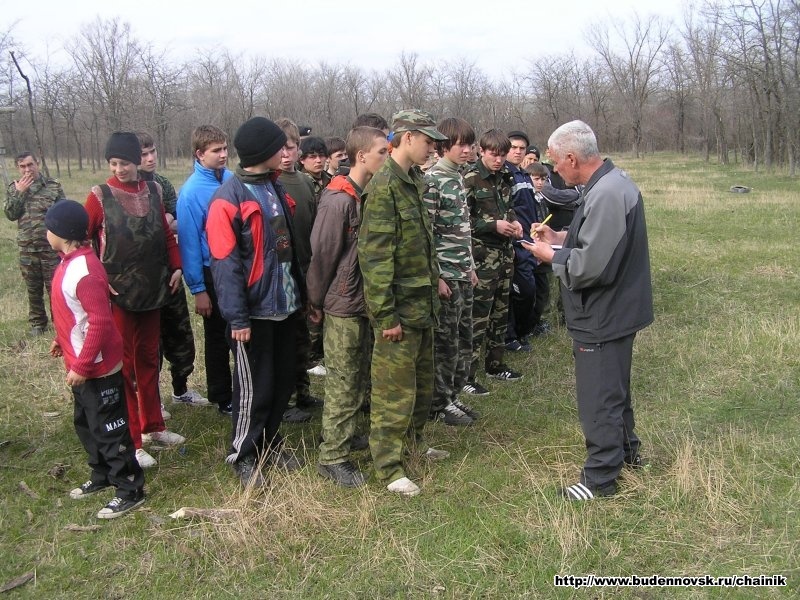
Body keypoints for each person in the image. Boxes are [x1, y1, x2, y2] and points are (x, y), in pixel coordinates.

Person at [523, 120, 653, 501]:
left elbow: (592, 266)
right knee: (614, 390)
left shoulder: (607, 193)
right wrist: (560, 238)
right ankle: (627, 454)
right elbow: (596, 239)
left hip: (603, 314)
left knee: (598, 397)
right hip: (614, 311)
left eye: (555, 162)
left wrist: (551, 256)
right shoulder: (608, 185)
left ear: (571, 158)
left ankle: (600, 477)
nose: (553, 170)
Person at [206, 116, 306, 488]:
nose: (286, 151)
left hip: (285, 306)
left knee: (281, 383)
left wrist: (303, 296)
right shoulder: (227, 199)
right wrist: (237, 318)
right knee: (254, 388)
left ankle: (268, 443)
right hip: (254, 314)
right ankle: (244, 454)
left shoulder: (274, 186)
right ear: (263, 151)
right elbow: (225, 264)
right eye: (279, 146)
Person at [358, 109, 449, 497]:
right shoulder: (384, 187)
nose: (432, 148)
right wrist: (386, 315)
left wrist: (436, 277)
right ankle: (389, 466)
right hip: (399, 310)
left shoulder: (414, 181)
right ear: (407, 137)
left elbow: (420, 243)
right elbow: (375, 258)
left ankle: (414, 444)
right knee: (393, 392)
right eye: (428, 141)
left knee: (421, 386)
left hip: (421, 304)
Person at [85, 132, 186, 469]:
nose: (119, 169)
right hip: (119, 296)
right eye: (113, 163)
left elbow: (166, 235)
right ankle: (133, 441)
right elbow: (80, 242)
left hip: (154, 290)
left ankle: (154, 425)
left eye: (125, 163)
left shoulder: (153, 190)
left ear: (137, 161)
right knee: (125, 366)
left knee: (148, 358)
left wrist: (176, 266)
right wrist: (98, 282)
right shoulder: (99, 197)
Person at [45, 199, 145, 519]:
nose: (46, 232)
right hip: (81, 363)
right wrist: (61, 340)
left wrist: (83, 365)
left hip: (97, 367)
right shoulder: (67, 262)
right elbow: (75, 314)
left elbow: (100, 322)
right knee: (87, 423)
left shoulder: (84, 272)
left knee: (110, 428)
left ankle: (129, 488)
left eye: (49, 228)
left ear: (62, 233)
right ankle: (101, 474)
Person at [307, 126, 388, 488]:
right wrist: (315, 301)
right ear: (361, 156)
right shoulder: (338, 200)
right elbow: (321, 256)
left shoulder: (367, 194)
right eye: (382, 152)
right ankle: (332, 457)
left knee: (358, 377)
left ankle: (346, 435)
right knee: (342, 380)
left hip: (363, 301)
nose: (387, 158)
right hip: (342, 303)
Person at [137, 132, 206, 412]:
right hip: (142, 280)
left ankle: (181, 389)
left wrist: (167, 222)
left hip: (169, 273)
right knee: (149, 344)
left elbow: (176, 223)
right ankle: (150, 399)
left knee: (180, 336)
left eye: (152, 151)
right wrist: (162, 220)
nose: (150, 158)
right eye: (143, 154)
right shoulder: (124, 189)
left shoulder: (162, 184)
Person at [423, 117, 480, 427]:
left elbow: (461, 229)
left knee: (462, 339)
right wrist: (438, 277)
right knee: (445, 343)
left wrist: (470, 267)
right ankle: (438, 403)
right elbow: (427, 233)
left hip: (462, 273)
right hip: (445, 275)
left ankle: (452, 395)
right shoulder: (432, 180)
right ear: (444, 146)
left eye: (470, 145)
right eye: (461, 145)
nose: (468, 150)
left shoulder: (457, 177)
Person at [176, 125, 235, 416]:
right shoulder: (191, 193)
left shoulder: (232, 179)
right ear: (200, 154)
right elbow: (189, 244)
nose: (223, 155)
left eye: (225, 148)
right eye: (216, 150)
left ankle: (245, 388)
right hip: (212, 272)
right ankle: (222, 396)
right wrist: (199, 289)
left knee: (239, 331)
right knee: (217, 337)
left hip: (236, 268)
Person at [462, 129, 523, 397]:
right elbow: (461, 220)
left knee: (500, 313)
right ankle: (466, 376)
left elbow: (508, 207)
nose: (498, 160)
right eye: (493, 155)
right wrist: (492, 225)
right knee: (478, 317)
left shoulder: (505, 175)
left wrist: (514, 223)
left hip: (504, 255)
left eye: (502, 155)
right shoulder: (470, 178)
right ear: (481, 151)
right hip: (481, 256)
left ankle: (495, 365)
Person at [276, 118, 324, 423]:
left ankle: (303, 391)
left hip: (307, 268)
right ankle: (288, 398)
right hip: (284, 272)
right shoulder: (273, 184)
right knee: (287, 339)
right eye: (280, 148)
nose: (285, 154)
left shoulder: (306, 183)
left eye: (291, 147)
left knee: (304, 336)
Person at [4, 152, 65, 336]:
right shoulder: (14, 188)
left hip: (50, 248)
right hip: (27, 248)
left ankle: (60, 323)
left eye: (30, 164)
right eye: (22, 166)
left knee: (55, 288)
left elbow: (64, 214)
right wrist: (20, 193)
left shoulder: (53, 186)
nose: (27, 170)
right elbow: (11, 214)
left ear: (37, 164)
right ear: (18, 168)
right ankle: (38, 324)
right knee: (33, 288)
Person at [504, 131, 539, 353]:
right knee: (518, 291)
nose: (518, 152)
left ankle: (521, 332)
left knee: (529, 290)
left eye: (522, 148)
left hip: (529, 242)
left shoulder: (524, 175)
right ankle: (510, 336)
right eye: (513, 147)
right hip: (514, 244)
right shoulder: (504, 175)